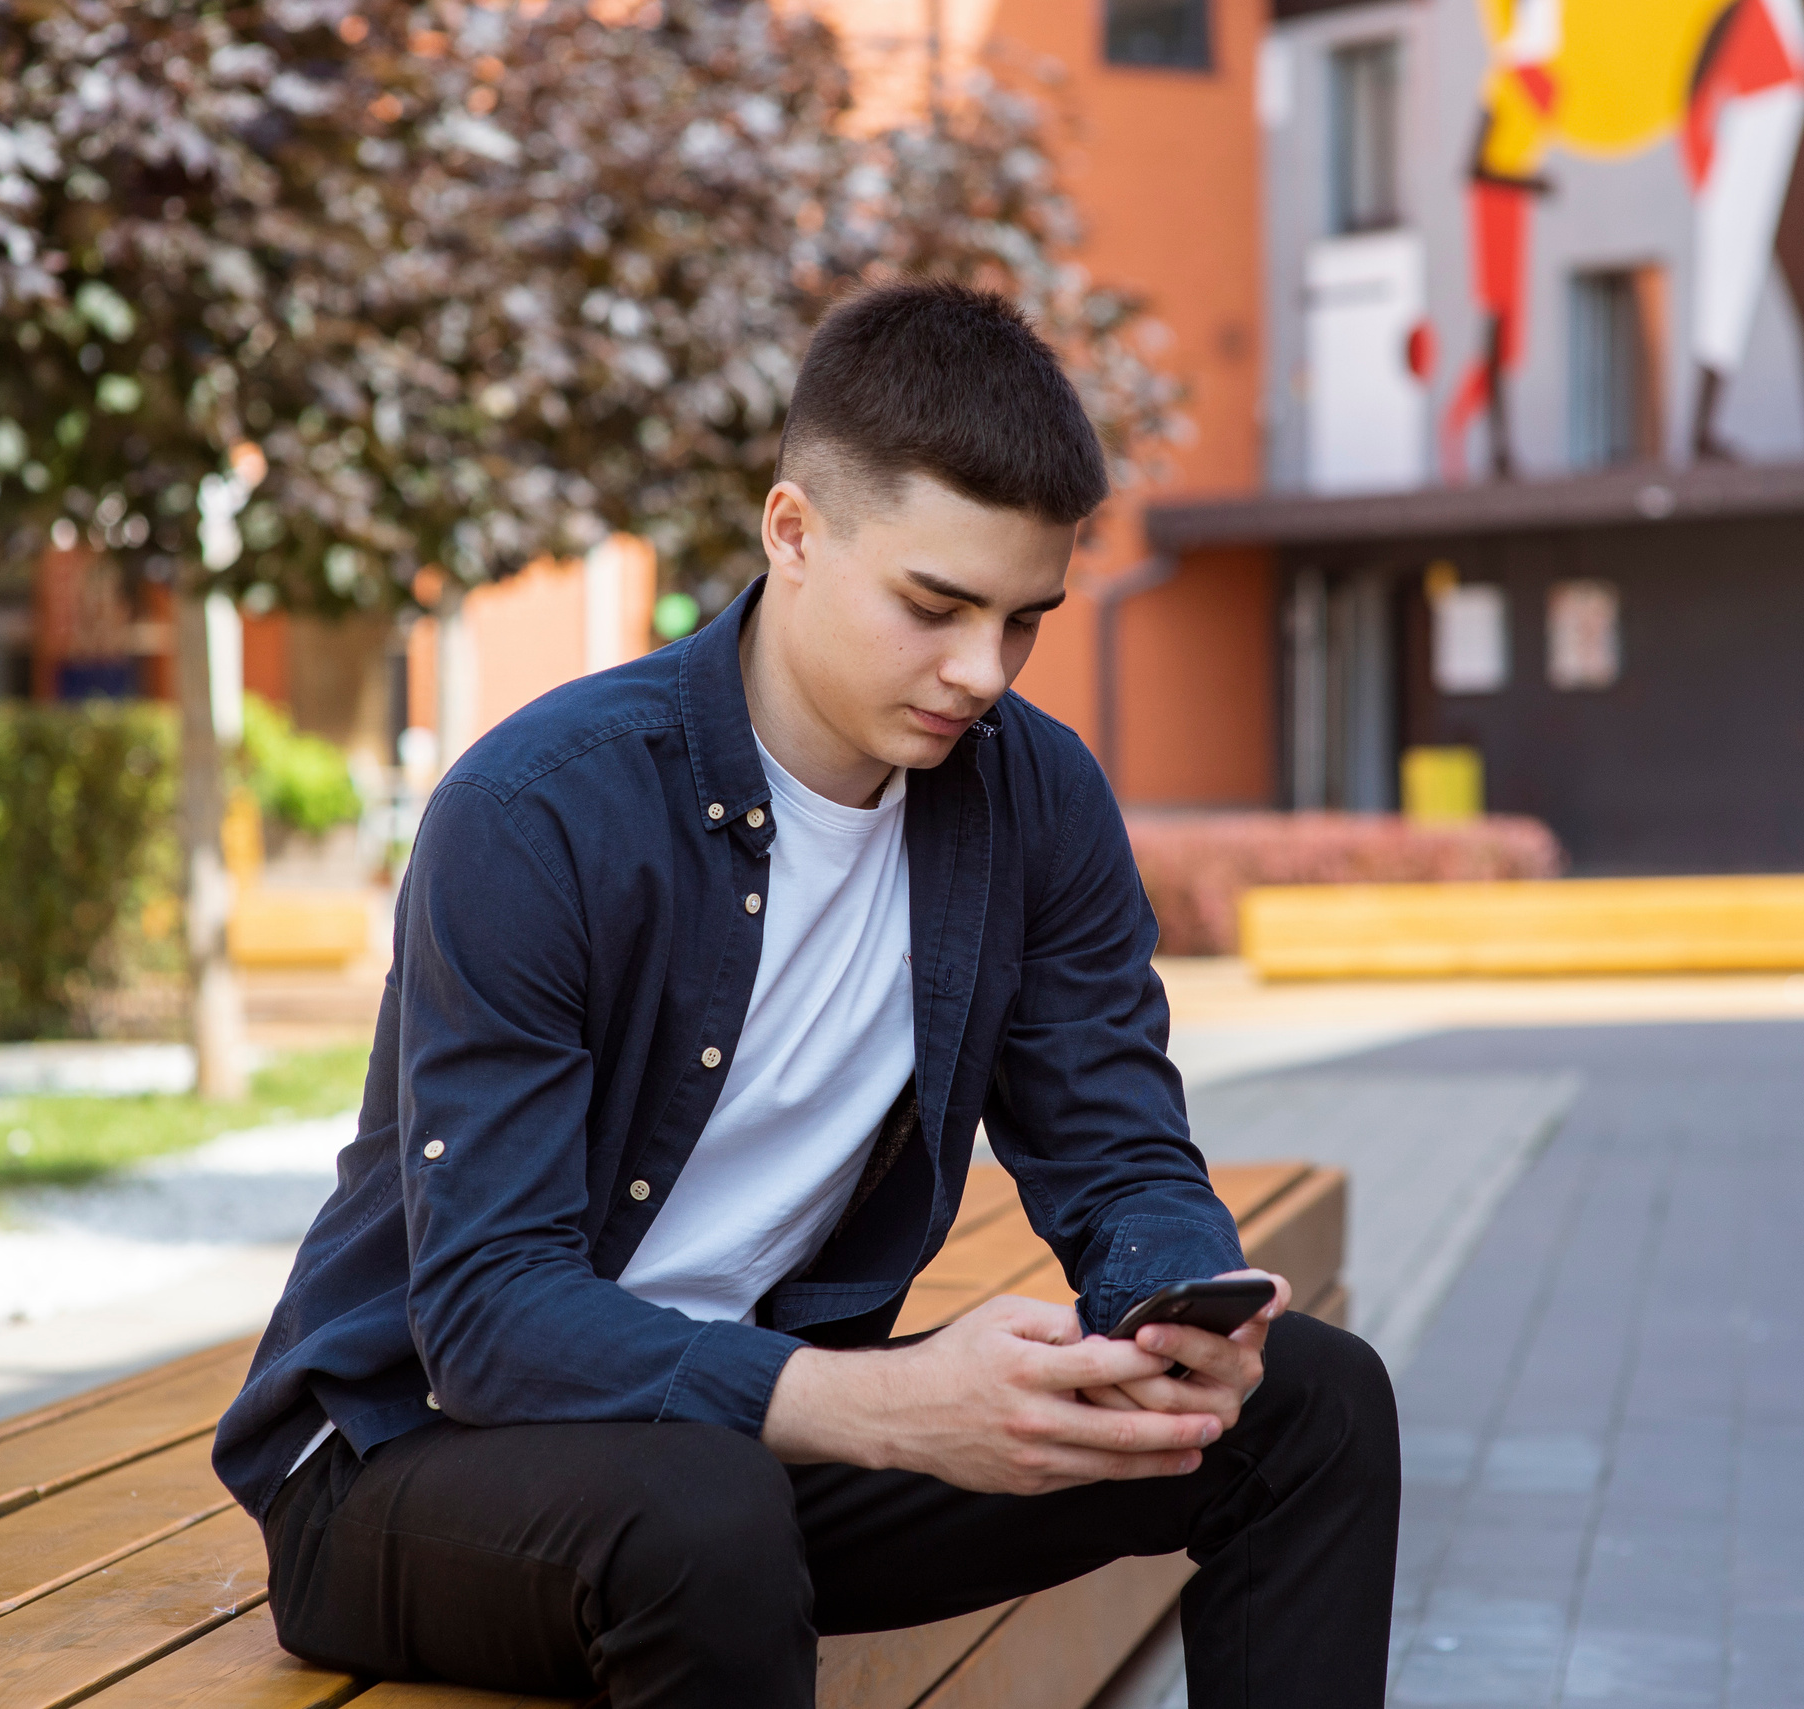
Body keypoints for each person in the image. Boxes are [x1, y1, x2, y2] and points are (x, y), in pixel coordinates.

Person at [213, 278, 1402, 1708]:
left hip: (763, 1455)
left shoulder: (1036, 797)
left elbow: (1119, 1148)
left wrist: (1177, 1312)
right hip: (413, 1459)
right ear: (793, 530)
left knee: (1314, 1408)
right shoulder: (542, 812)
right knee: (702, 1513)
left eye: (1024, 620)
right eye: (935, 604)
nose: (982, 671)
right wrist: (893, 1404)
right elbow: (487, 1312)